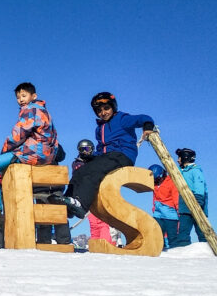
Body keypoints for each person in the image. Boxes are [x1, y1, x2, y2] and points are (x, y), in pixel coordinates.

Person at [51, 92, 155, 221]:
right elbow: (101, 148)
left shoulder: (122, 119)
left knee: (93, 171)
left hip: (122, 155)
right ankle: (68, 202)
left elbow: (144, 118)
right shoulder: (99, 128)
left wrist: (148, 126)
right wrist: (91, 157)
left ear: (113, 107)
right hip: (107, 157)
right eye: (99, 111)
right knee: (81, 171)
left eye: (106, 108)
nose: (103, 112)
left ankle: (81, 204)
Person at [0, 83, 59, 230]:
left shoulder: (30, 109)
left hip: (30, 152)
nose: (21, 99)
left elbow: (18, 134)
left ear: (33, 96)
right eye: (18, 97)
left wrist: (4, 150)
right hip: (46, 155)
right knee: (6, 168)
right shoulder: (44, 112)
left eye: (24, 95)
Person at [74, 138, 112, 245]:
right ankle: (96, 246)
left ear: (91, 149)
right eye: (82, 149)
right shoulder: (78, 163)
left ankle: (105, 243)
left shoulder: (98, 160)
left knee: (103, 221)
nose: (85, 151)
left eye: (87, 149)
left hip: (100, 194)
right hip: (87, 196)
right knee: (94, 223)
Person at [169, 148, 208, 248]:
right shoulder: (182, 171)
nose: (178, 160)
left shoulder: (195, 171)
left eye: (179, 157)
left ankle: (206, 250)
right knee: (183, 231)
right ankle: (183, 250)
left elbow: (199, 186)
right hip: (184, 206)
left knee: (202, 231)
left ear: (185, 158)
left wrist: (198, 201)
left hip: (196, 203)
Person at [149, 163, 179, 248]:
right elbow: (154, 197)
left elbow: (175, 196)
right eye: (155, 180)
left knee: (172, 234)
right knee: (157, 232)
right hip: (158, 211)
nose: (156, 181)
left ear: (162, 175)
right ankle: (160, 249)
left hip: (169, 211)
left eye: (157, 179)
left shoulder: (170, 182)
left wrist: (178, 210)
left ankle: (175, 251)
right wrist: (154, 208)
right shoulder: (155, 185)